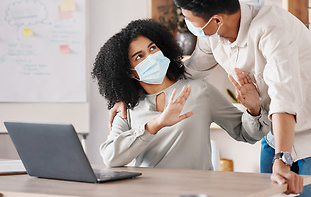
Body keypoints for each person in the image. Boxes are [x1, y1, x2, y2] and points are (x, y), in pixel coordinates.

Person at [165, 0, 311, 196]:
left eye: (187, 17)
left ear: (216, 20)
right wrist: (125, 95)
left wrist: (282, 160)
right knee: (265, 193)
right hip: (277, 130)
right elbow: (189, 73)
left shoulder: (272, 30)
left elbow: (284, 97)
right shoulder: (213, 33)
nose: (188, 24)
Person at [92, 19, 271, 170]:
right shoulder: (127, 107)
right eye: (139, 57)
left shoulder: (200, 91)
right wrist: (155, 125)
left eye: (153, 48)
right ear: (129, 72)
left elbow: (247, 134)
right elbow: (110, 158)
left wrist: (254, 110)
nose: (151, 57)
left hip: (196, 192)